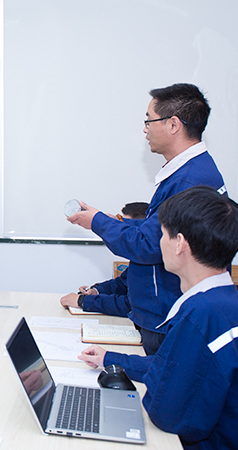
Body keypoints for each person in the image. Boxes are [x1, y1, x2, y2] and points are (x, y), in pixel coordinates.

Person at [67, 83, 226, 355]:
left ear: (173, 124)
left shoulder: (188, 181)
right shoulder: (189, 172)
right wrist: (114, 221)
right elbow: (158, 231)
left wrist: (97, 222)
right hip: (163, 313)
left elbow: (148, 245)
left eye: (149, 120)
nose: (145, 129)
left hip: (167, 317)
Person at [79, 186, 238, 449]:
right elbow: (175, 368)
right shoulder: (222, 302)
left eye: (161, 235)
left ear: (179, 244)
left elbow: (166, 414)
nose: (156, 244)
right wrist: (111, 359)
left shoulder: (199, 316)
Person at [60, 202, 148, 318]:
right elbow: (121, 284)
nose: (119, 230)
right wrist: (95, 291)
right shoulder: (140, 260)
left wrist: (82, 301)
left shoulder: (153, 262)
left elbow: (130, 306)